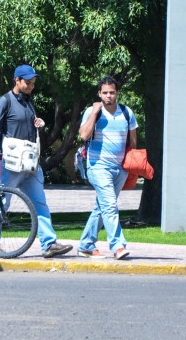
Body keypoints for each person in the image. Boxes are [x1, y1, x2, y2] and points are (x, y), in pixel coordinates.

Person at [0, 65, 73, 258]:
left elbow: (26, 125)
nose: (31, 86)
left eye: (33, 83)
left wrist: (37, 123)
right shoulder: (4, 101)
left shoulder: (28, 102)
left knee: (40, 203)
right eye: (28, 82)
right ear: (17, 80)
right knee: (2, 202)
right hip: (11, 163)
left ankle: (49, 244)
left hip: (30, 164)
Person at [77, 75, 138, 260]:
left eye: (112, 92)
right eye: (105, 93)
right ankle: (118, 246)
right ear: (99, 93)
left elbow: (133, 142)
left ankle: (86, 245)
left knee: (102, 207)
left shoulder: (126, 112)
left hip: (120, 168)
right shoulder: (92, 111)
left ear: (117, 93)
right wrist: (95, 113)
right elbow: (83, 135)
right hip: (97, 166)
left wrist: (130, 167)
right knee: (110, 205)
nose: (109, 96)